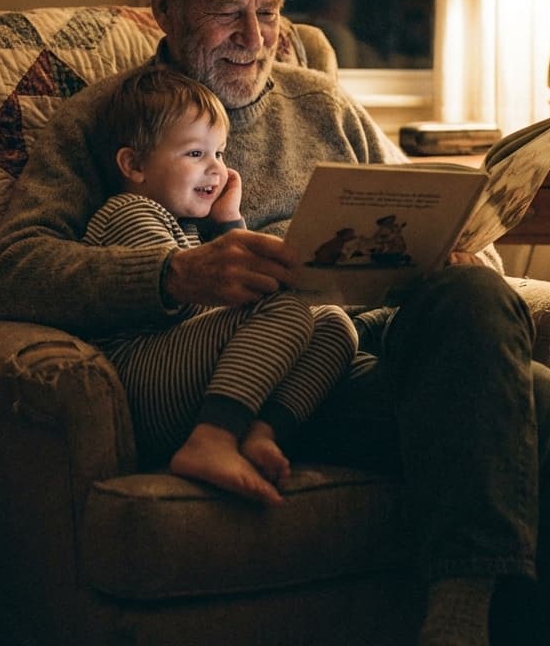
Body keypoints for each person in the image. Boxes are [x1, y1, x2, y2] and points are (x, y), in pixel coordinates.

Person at [0, 0, 550, 645]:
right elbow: (14, 270)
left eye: (270, 12)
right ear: (165, 7)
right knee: (534, 401)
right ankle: (461, 619)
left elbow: (441, 223)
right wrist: (176, 274)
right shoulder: (108, 121)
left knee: (478, 296)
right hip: (241, 385)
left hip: (364, 348)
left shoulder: (324, 104)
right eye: (228, 14)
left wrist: (459, 249)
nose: (256, 40)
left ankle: (460, 616)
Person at [82, 64, 357, 505]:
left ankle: (259, 433)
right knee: (285, 309)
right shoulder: (128, 213)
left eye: (221, 154)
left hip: (194, 375)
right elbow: (187, 306)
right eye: (195, 155)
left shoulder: (187, 226)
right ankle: (210, 440)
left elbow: (228, 304)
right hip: (144, 380)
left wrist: (229, 221)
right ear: (133, 164)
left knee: (333, 323)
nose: (216, 170)